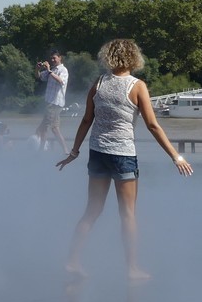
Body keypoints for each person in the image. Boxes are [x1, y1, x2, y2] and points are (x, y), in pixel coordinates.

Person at [56, 39, 193, 281]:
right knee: (128, 213)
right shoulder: (137, 86)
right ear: (133, 58)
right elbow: (152, 124)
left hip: (98, 153)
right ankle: (131, 268)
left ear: (108, 57)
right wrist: (176, 156)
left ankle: (72, 261)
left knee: (92, 211)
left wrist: (74, 152)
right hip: (123, 155)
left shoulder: (97, 84)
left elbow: (87, 120)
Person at [35, 49, 68, 152]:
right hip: (50, 103)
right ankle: (65, 150)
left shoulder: (63, 70)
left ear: (60, 58)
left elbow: (61, 81)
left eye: (54, 58)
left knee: (45, 128)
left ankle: (41, 151)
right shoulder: (52, 70)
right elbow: (39, 77)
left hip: (55, 103)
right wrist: (37, 69)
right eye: (51, 58)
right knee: (53, 128)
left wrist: (49, 71)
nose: (52, 60)